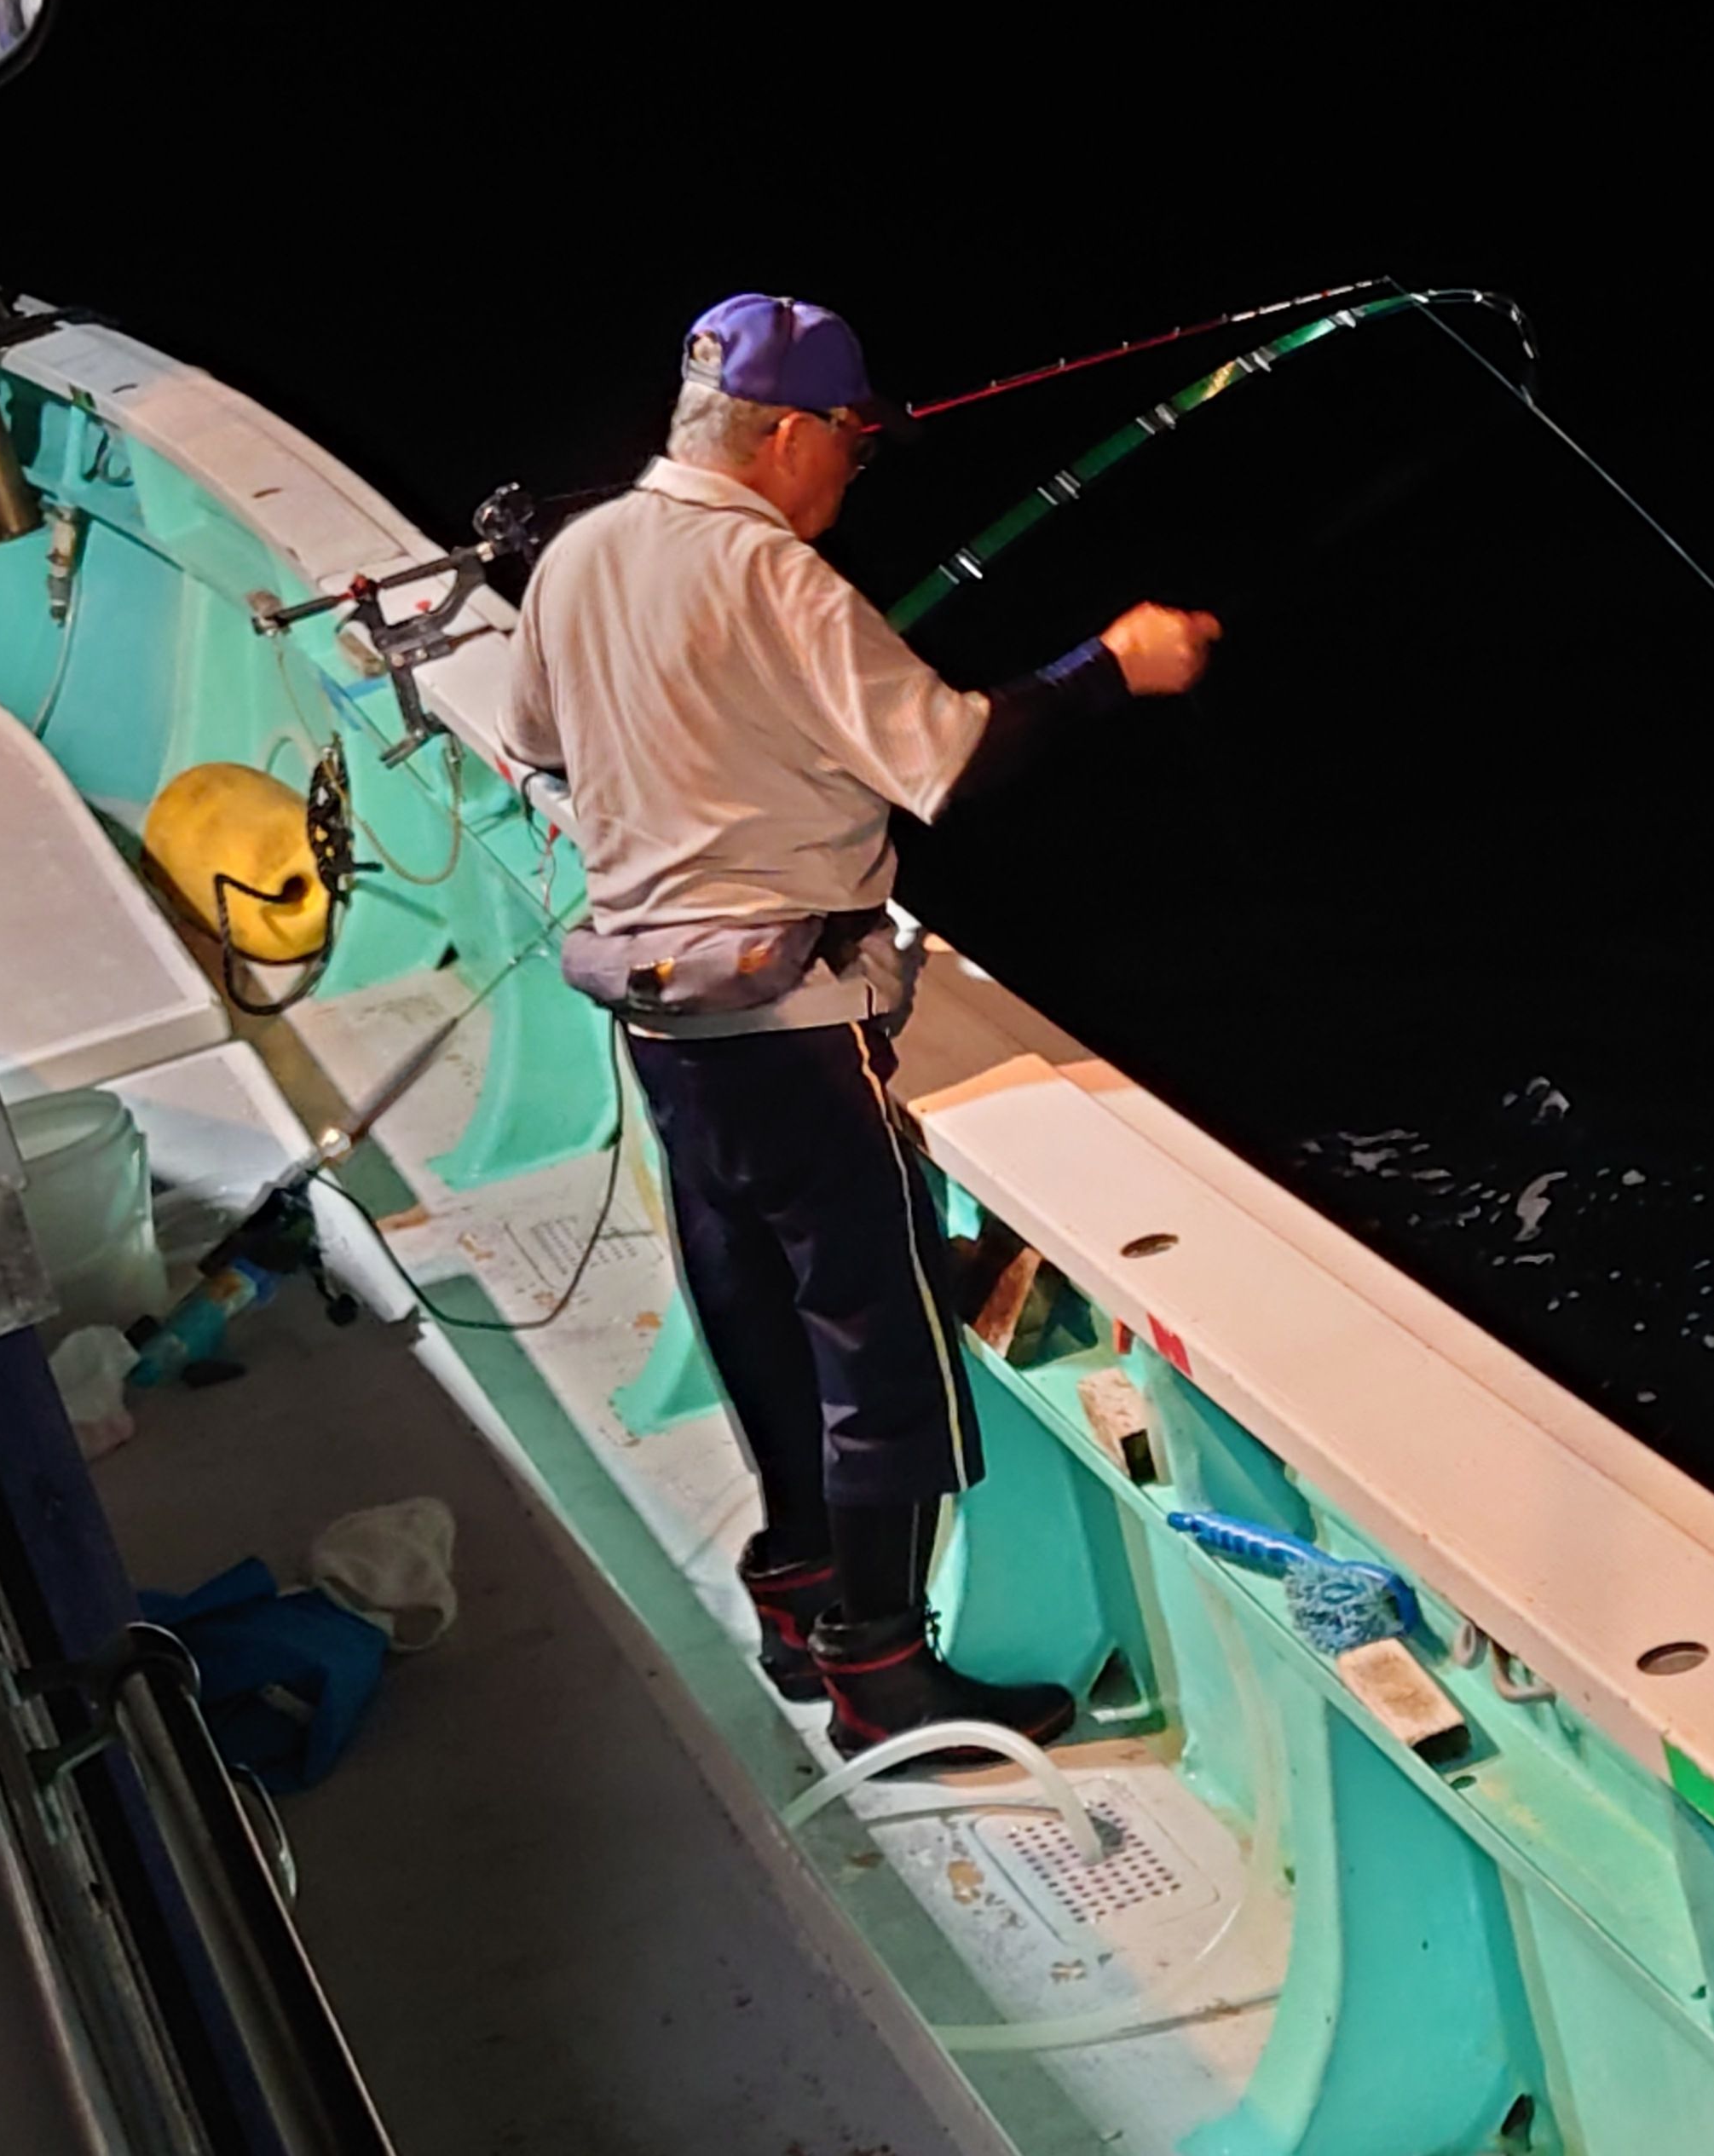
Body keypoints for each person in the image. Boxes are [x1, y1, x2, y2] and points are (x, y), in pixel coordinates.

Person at [494, 292, 1218, 1756]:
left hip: (662, 1030)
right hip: (792, 1030)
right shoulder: (778, 579)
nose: (854, 468)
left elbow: (539, 745)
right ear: (783, 434)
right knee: (879, 1345)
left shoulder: (578, 556)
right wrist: (1113, 664)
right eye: (852, 440)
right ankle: (881, 1676)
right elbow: (953, 759)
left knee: (752, 1313)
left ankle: (796, 1599)